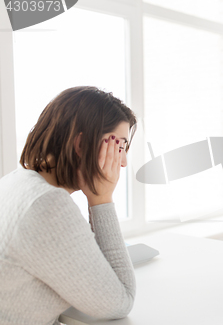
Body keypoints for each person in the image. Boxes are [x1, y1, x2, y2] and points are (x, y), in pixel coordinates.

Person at [0, 86, 137, 324]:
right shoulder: (47, 206)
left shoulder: (17, 180)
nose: (123, 161)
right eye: (120, 146)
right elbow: (120, 301)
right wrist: (101, 198)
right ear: (81, 145)